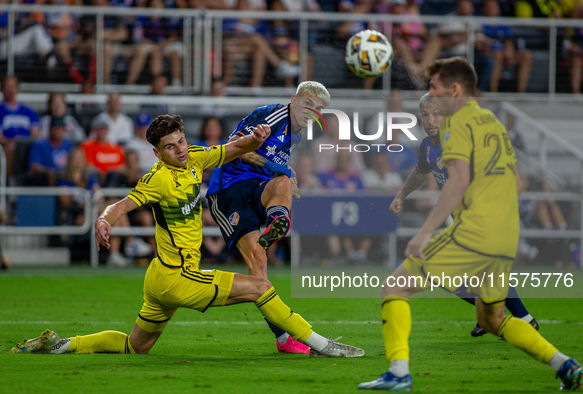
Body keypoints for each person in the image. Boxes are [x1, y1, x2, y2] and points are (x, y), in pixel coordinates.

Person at [11, 114, 364, 359]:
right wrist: (104, 219)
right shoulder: (158, 178)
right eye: (170, 147)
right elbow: (123, 203)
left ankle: (60, 345)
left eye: (181, 141)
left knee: (136, 347)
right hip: (180, 277)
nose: (179, 150)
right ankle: (321, 343)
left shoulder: (194, 159)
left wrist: (254, 139)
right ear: (157, 153)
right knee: (260, 287)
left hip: (159, 277)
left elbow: (230, 151)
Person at [358, 57, 583, 391]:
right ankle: (564, 364)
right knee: (491, 319)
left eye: (435, 87)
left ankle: (399, 372)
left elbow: (458, 181)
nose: (431, 95)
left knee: (394, 287)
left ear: (455, 89)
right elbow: (514, 179)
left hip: (475, 228)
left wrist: (424, 231)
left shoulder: (455, 123)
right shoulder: (490, 121)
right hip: (506, 234)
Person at [389, 93, 539, 338]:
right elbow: (420, 172)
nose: (430, 119)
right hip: (463, 220)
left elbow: (513, 179)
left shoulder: (463, 140)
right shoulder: (428, 145)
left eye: (435, 113)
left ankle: (512, 318)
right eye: (425, 115)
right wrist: (401, 195)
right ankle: (499, 316)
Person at [205, 81, 329, 354]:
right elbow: (233, 146)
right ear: (294, 99)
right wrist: (276, 167)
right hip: (229, 191)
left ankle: (277, 221)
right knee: (258, 264)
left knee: (286, 181)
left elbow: (277, 170)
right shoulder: (271, 116)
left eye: (318, 110)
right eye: (308, 104)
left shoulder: (295, 134)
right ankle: (283, 336)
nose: (312, 112)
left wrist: (284, 178)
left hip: (255, 189)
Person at [27, 117, 73, 186]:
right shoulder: (40, 145)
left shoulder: (68, 145)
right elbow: (34, 167)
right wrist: (49, 171)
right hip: (46, 176)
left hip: (65, 175)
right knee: (51, 175)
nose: (58, 131)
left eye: (61, 128)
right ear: (50, 129)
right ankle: (52, 196)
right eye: (56, 128)